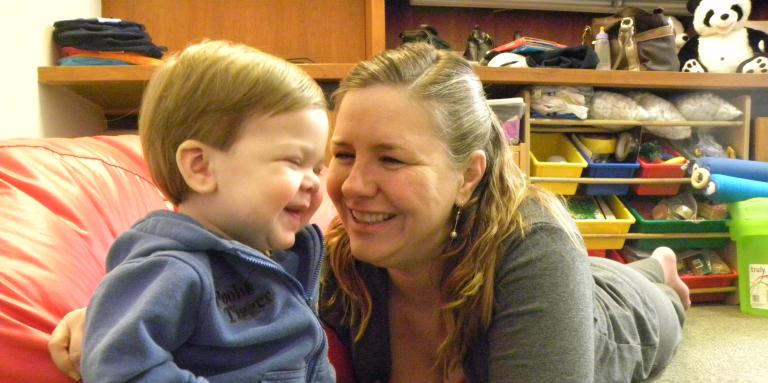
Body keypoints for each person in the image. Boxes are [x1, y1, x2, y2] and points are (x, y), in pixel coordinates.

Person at [50, 43, 689, 383]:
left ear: (468, 174)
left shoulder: (533, 244)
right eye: (344, 153)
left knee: (649, 290)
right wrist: (103, 313)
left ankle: (658, 270)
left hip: (622, 317)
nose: (352, 186)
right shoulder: (331, 255)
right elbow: (217, 284)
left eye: (391, 159)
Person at [71, 40, 334, 382]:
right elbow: (120, 368)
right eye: (294, 162)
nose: (314, 183)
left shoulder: (289, 257)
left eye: (317, 167)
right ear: (201, 168)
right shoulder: (171, 269)